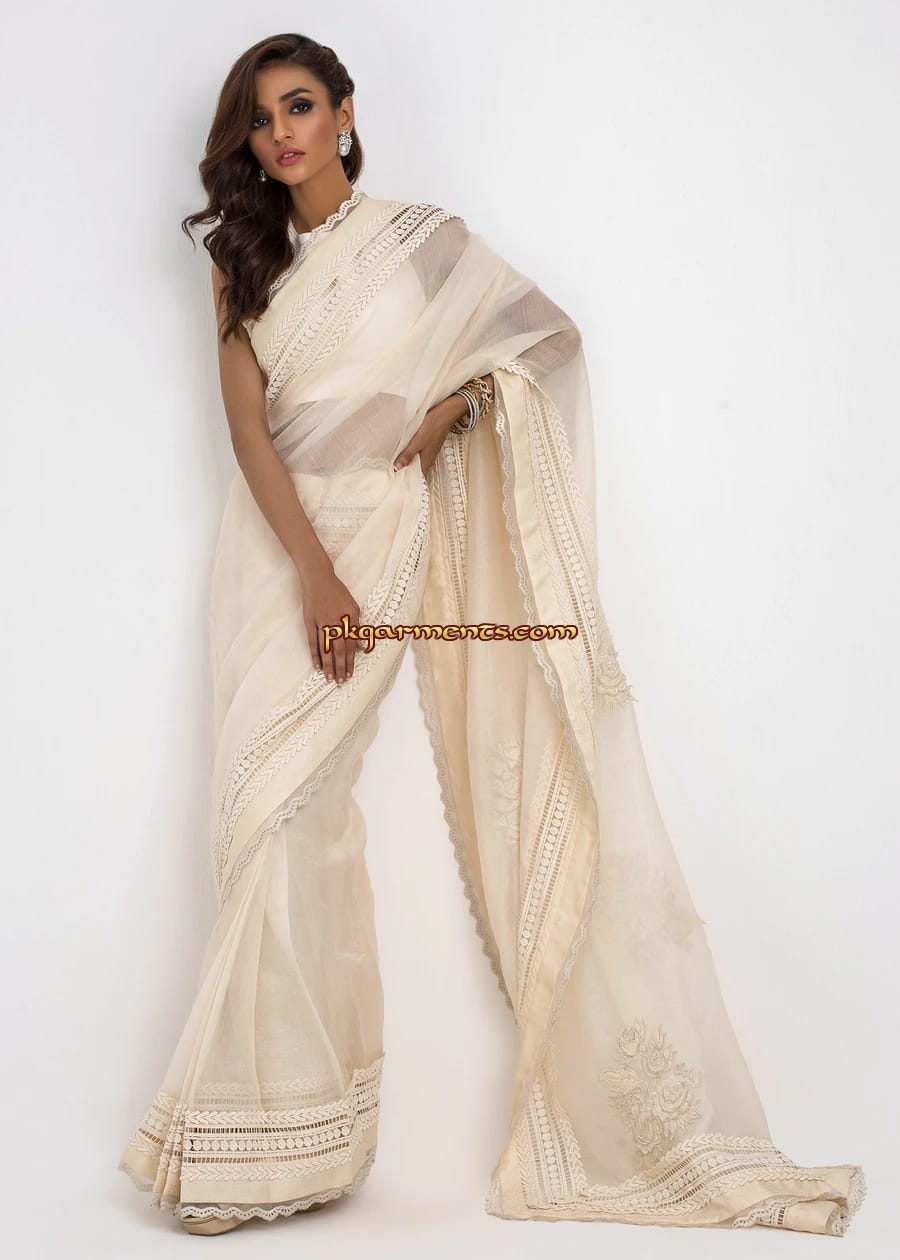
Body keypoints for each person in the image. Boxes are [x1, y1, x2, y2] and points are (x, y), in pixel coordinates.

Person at [117, 31, 866, 1238]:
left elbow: (547, 339)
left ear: (345, 112)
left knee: (307, 813)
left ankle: (275, 1143)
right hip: (274, 557)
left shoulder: (422, 244)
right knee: (264, 823)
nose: (282, 133)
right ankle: (277, 1138)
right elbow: (248, 433)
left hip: (382, 537)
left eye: (299, 106)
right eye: (260, 119)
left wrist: (456, 406)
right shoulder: (239, 260)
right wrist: (311, 571)